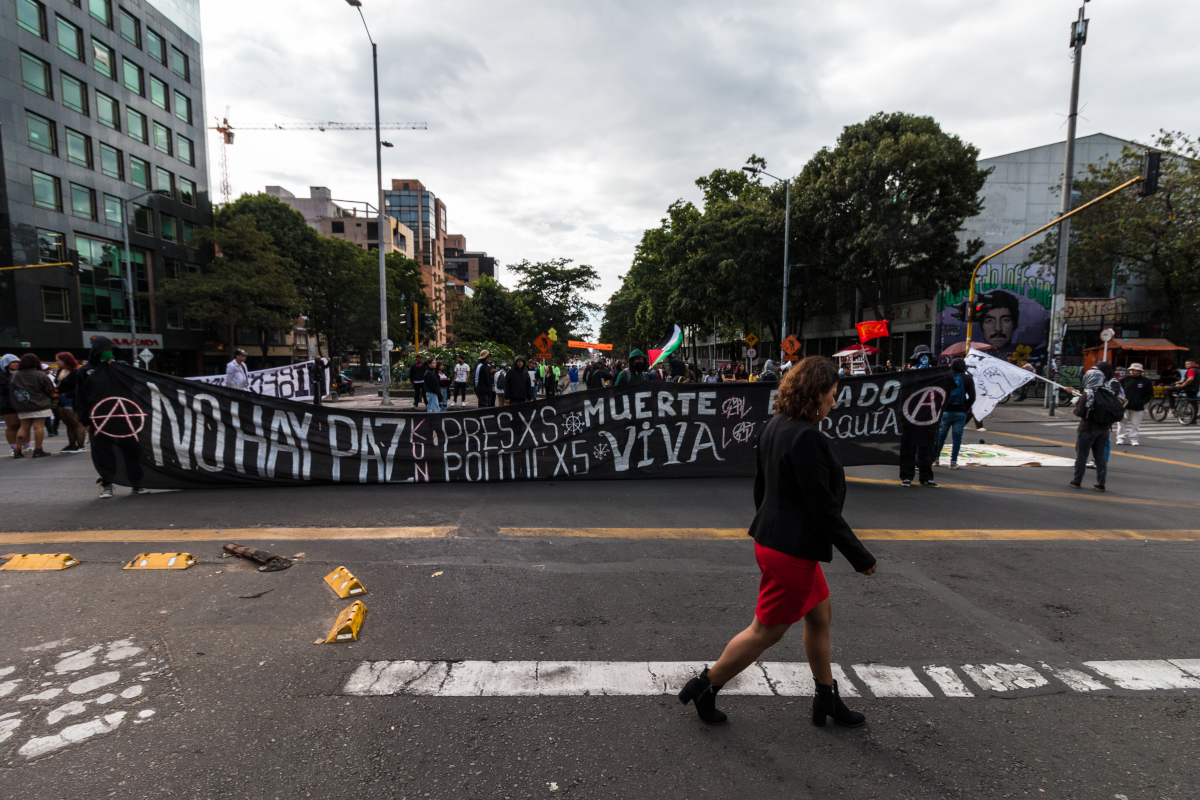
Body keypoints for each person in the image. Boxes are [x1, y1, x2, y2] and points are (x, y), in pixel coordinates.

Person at [678, 357, 876, 726]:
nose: (835, 403)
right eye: (832, 395)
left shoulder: (777, 425)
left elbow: (763, 489)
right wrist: (859, 555)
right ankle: (705, 685)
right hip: (792, 551)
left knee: (819, 615)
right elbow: (823, 509)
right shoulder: (806, 437)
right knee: (765, 631)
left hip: (777, 541)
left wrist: (771, 526)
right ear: (814, 394)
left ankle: (826, 698)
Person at [77, 336, 147, 497]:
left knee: (133, 451)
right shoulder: (85, 371)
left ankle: (137, 483)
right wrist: (84, 420)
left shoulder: (121, 367)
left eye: (111, 350)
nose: (108, 353)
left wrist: (115, 368)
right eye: (105, 350)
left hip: (124, 417)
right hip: (100, 419)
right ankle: (107, 483)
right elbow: (80, 397)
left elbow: (135, 385)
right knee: (104, 453)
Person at [1070, 366, 1121, 492]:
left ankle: (1077, 481)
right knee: (1100, 457)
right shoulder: (1108, 392)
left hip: (1087, 428)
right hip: (1103, 429)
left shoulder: (1088, 393)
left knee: (1082, 455)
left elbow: (1081, 411)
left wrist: (1075, 409)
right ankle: (1101, 483)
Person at [9, 353, 56, 458]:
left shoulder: (15, 374)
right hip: (40, 404)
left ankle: (17, 449)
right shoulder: (40, 374)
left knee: (24, 427)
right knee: (38, 427)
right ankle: (38, 449)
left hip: (22, 404)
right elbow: (49, 389)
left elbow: (11, 390)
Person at [935, 358, 976, 469]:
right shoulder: (968, 378)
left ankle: (936, 458)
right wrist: (966, 408)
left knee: (941, 436)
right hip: (960, 412)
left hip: (946, 411)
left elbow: (939, 393)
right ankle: (953, 462)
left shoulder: (947, 376)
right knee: (957, 437)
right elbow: (972, 397)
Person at [55, 353, 89, 453]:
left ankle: (80, 445)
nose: (57, 362)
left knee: (75, 422)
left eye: (58, 360)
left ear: (65, 360)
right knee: (68, 423)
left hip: (71, 398)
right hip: (60, 398)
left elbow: (81, 386)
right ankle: (72, 444)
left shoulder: (76, 372)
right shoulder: (60, 371)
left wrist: (70, 394)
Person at [1117, 363, 1153, 446]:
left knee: (1135, 424)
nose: (1132, 371)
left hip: (1138, 407)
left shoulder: (1146, 381)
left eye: (1134, 370)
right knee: (1121, 423)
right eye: (1130, 369)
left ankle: (1133, 439)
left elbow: (1149, 394)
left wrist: (1142, 402)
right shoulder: (1124, 380)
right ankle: (1120, 438)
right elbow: (1118, 391)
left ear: (1140, 371)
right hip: (1124, 406)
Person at [1, 354, 21, 456]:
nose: (16, 364)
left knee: (22, 426)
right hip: (7, 403)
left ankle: (26, 446)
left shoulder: (20, 373)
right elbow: (3, 389)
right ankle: (13, 447)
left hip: (21, 402)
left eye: (17, 362)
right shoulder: (2, 374)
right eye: (13, 362)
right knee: (12, 425)